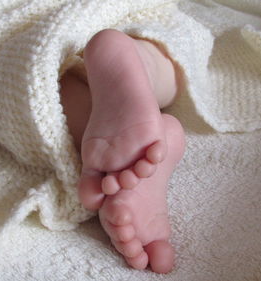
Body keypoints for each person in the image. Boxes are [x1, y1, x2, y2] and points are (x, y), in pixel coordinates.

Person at [59, 29, 185, 274]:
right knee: (161, 62)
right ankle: (134, 65)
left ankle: (109, 158)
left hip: (44, 44)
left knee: (50, 85)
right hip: (140, 34)